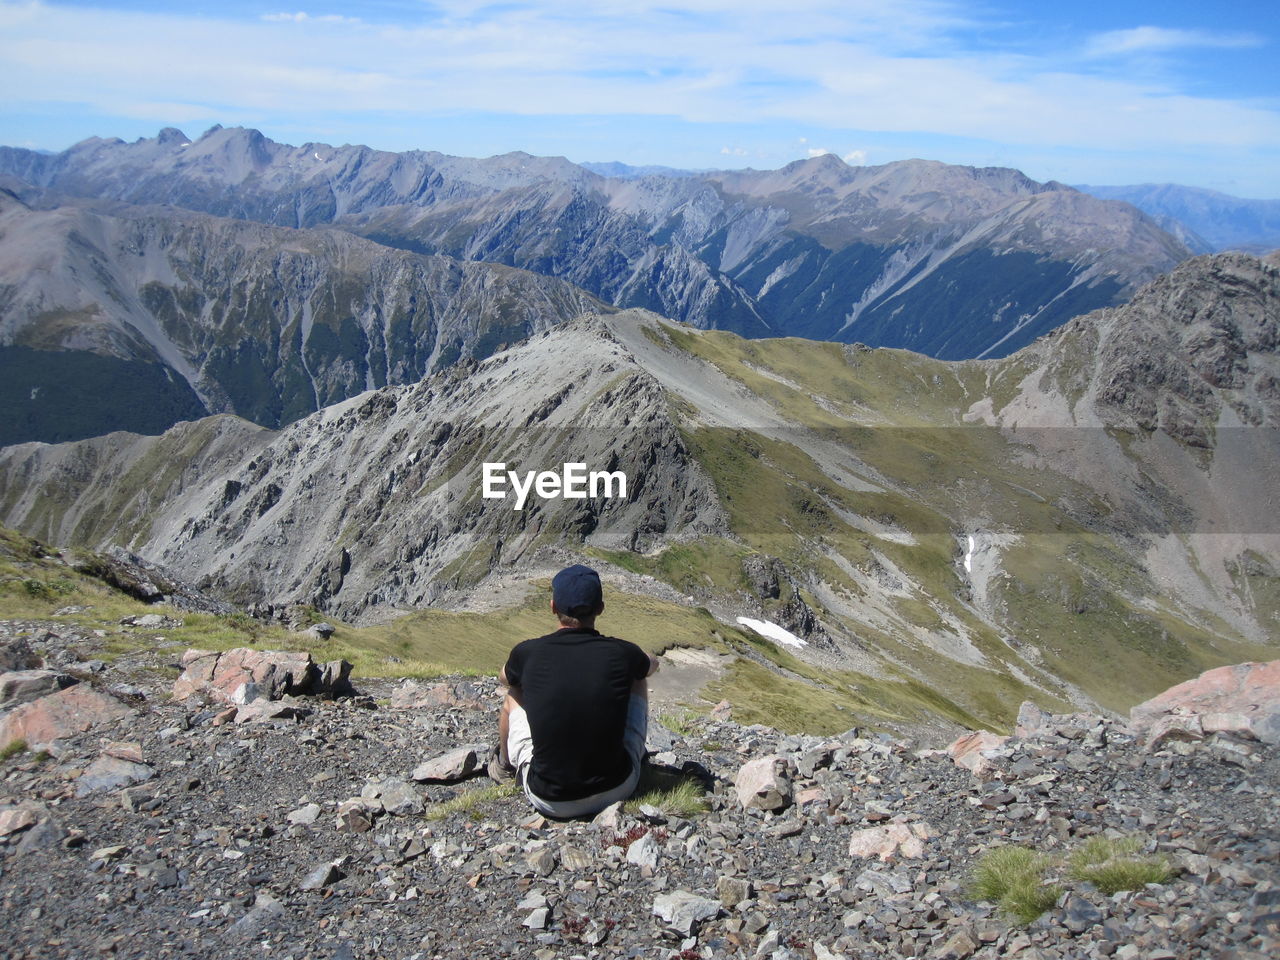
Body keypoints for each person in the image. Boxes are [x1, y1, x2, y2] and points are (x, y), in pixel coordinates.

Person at [494, 564, 658, 818]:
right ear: (600, 608)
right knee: (638, 678)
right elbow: (650, 666)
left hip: (549, 799)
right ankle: (637, 756)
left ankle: (504, 767)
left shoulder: (527, 653)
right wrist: (640, 659)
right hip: (617, 788)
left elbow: (504, 678)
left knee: (514, 693)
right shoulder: (622, 652)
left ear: (553, 607)